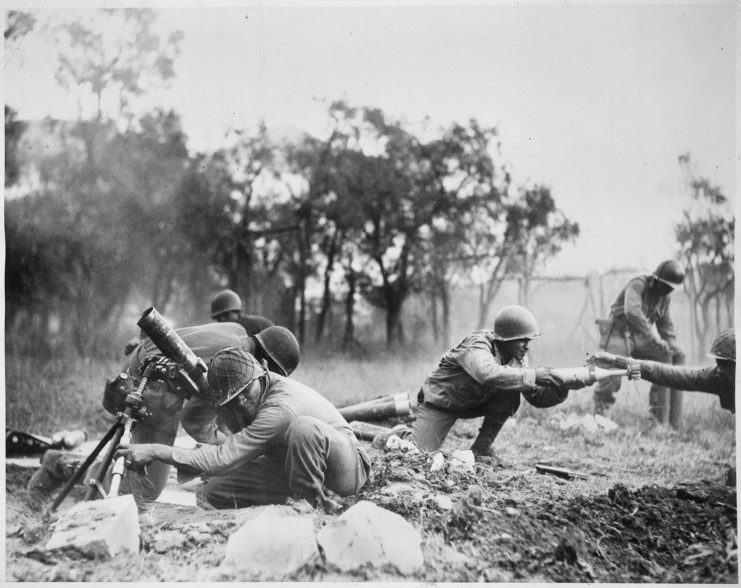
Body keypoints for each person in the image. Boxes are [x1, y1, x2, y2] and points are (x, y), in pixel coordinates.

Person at [26, 322, 300, 508]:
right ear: (264, 363)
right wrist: (222, 444)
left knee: (132, 467)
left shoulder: (236, 331)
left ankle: (63, 463)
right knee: (145, 488)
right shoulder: (230, 366)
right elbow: (193, 420)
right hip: (150, 389)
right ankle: (60, 465)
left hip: (145, 369)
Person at [115, 348, 371, 513]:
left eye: (245, 392)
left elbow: (223, 458)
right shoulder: (250, 395)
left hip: (345, 468)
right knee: (216, 490)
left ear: (260, 374)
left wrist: (155, 450)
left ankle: (313, 510)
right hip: (290, 464)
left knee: (303, 428)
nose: (243, 402)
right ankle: (306, 494)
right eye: (233, 400)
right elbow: (211, 435)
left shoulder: (280, 408)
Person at [409, 305, 586, 463]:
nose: (527, 346)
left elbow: (536, 397)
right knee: (416, 453)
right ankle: (395, 434)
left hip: (471, 403)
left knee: (513, 386)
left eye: (529, 341)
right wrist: (533, 375)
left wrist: (562, 388)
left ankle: (481, 448)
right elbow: (487, 373)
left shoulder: (518, 360)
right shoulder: (477, 345)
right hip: (442, 402)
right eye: (523, 340)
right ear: (506, 339)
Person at [593, 260, 686, 419]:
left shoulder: (665, 297)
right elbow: (632, 312)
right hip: (619, 333)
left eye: (671, 288)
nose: (667, 290)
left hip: (640, 337)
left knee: (665, 357)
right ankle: (601, 410)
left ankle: (658, 415)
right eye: (665, 286)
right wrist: (655, 339)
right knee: (612, 373)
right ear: (655, 280)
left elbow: (665, 323)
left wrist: (672, 344)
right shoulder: (637, 284)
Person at [591, 328, 735, 414]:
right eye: (718, 362)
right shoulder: (715, 377)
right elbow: (662, 373)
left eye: (726, 364)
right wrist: (616, 360)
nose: (720, 370)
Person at [210, 288, 275, 335]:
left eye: (225, 314)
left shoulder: (248, 326)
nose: (222, 319)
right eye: (218, 317)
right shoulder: (224, 333)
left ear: (236, 312)